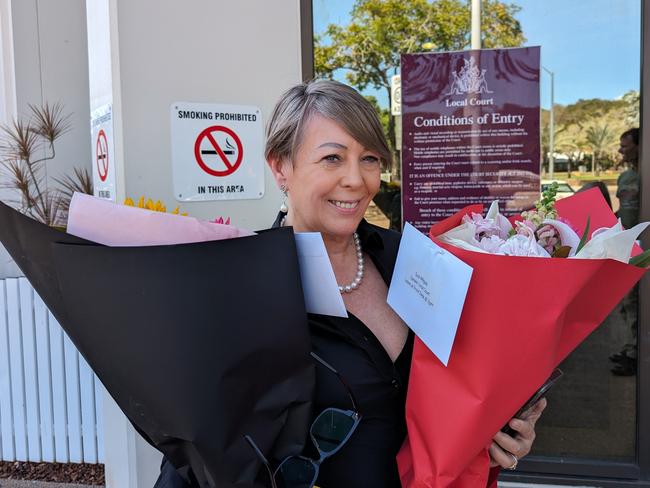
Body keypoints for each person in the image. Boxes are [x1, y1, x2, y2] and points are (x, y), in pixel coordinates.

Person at [155, 80, 546, 487]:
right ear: (280, 166)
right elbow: (196, 455)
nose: (356, 180)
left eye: (370, 159)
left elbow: (461, 388)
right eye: (332, 159)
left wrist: (502, 435)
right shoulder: (241, 288)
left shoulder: (411, 258)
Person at [610, 128, 640, 375]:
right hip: (627, 250)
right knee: (628, 302)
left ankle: (636, 353)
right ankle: (631, 348)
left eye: (626, 145)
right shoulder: (625, 177)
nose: (621, 150)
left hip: (644, 250)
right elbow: (622, 212)